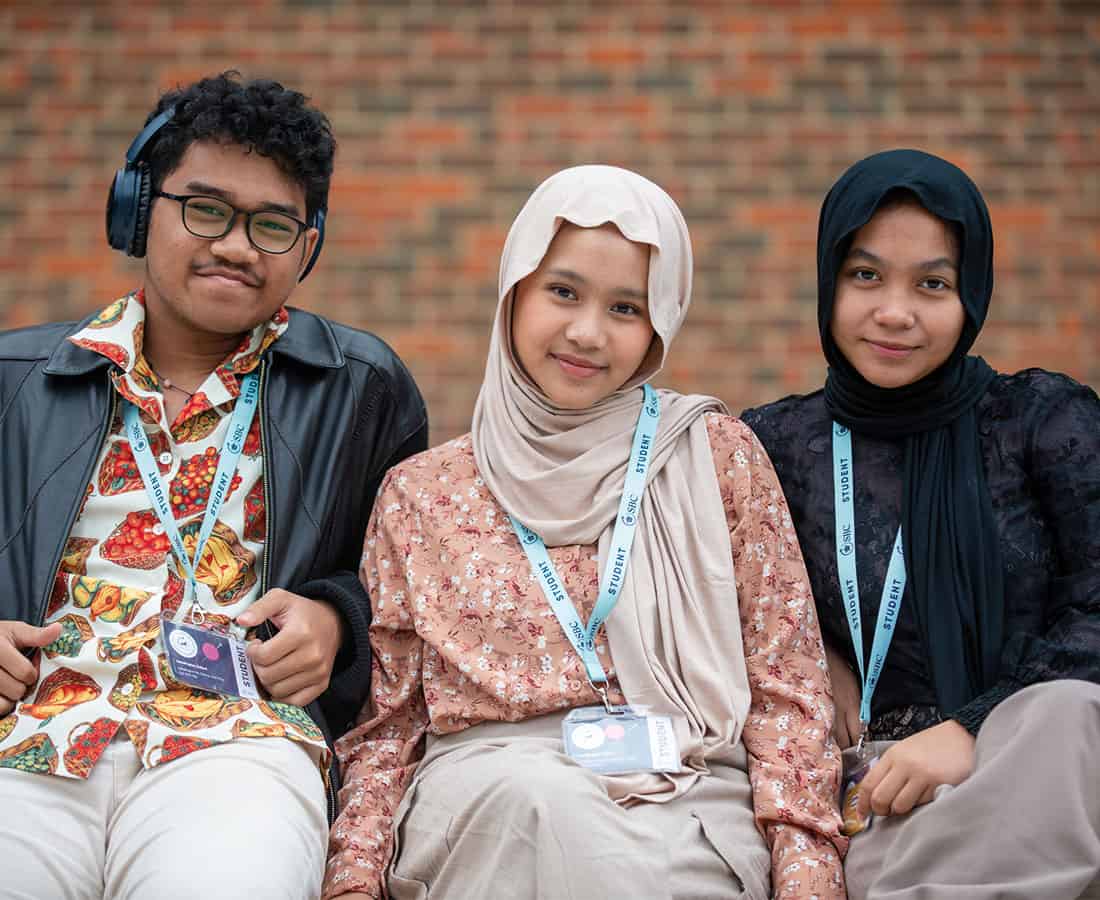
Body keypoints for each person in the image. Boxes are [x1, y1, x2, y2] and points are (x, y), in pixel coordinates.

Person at [323, 165, 847, 900]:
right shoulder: (423, 493)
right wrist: (351, 881)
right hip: (492, 806)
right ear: (514, 292)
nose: (588, 332)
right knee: (543, 811)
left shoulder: (713, 455)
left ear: (660, 324)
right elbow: (389, 728)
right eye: (563, 291)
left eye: (627, 308)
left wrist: (806, 877)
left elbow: (785, 690)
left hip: (687, 795)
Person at [0, 72, 427, 899]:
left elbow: (405, 589)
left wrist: (336, 617)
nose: (235, 245)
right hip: (26, 734)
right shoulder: (11, 378)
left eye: (271, 225)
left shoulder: (362, 386)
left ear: (308, 247)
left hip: (242, 744)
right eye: (205, 209)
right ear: (136, 210)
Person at [742, 149, 1100, 900]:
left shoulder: (1042, 423)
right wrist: (816, 651)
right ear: (828, 281)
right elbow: (728, 609)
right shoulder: (772, 446)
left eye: (932, 284)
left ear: (971, 294)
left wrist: (971, 728)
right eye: (865, 275)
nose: (895, 312)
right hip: (873, 795)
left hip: (1031, 763)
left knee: (1069, 713)